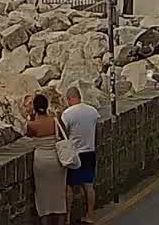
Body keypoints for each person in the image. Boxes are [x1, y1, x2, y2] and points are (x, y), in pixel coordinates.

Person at [23, 93, 67, 224]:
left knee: (43, 196)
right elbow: (64, 134)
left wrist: (31, 116)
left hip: (41, 161)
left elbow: (28, 135)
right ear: (47, 106)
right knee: (59, 196)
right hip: (56, 160)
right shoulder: (55, 120)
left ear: (35, 108)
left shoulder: (32, 125)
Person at [62, 86, 101, 224]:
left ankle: (67, 219)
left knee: (69, 187)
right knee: (89, 186)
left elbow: (63, 134)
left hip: (75, 154)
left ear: (69, 99)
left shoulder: (67, 114)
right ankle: (90, 215)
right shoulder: (93, 111)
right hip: (90, 151)